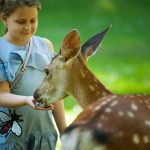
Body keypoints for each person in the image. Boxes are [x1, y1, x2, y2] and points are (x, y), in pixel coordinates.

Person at [0, 0, 67, 149]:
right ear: (5, 19)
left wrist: (64, 132)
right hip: (11, 138)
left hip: (43, 134)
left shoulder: (45, 46)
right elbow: (1, 95)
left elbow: (54, 92)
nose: (28, 27)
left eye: (33, 20)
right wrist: (27, 99)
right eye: (21, 21)